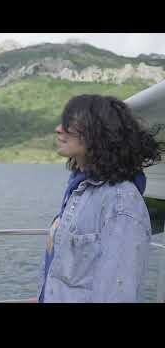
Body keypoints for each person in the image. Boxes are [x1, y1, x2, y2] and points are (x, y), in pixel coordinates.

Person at [38, 94, 164, 303]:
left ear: (98, 133)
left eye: (69, 123)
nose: (58, 129)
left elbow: (118, 293)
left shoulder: (121, 203)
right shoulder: (80, 189)